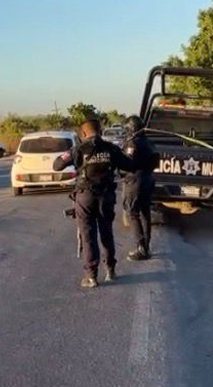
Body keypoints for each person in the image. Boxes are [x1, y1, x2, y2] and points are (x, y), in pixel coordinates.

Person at [54, 118, 134, 288]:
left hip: (85, 197)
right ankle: (110, 270)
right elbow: (129, 164)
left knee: (88, 235)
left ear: (82, 134)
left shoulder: (78, 149)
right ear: (101, 130)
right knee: (107, 233)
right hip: (106, 197)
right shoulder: (112, 149)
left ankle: (91, 276)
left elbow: (58, 165)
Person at [120, 115, 159, 261]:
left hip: (135, 180)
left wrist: (120, 170)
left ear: (131, 128)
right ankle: (146, 246)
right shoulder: (149, 142)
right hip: (148, 179)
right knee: (145, 212)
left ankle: (141, 248)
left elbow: (128, 163)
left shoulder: (132, 144)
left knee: (133, 213)